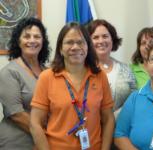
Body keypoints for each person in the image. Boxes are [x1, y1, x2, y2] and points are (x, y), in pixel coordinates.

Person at [30, 22, 115, 150]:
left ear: (88, 46)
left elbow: (108, 119)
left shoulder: (100, 76)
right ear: (60, 48)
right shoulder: (47, 77)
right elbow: (35, 123)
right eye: (69, 42)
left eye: (80, 42)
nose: (75, 47)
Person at [0, 17, 51, 149]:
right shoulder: (9, 72)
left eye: (37, 36)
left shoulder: (48, 71)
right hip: (18, 142)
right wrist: (47, 136)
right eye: (27, 36)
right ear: (19, 41)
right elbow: (16, 114)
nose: (32, 40)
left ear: (43, 41)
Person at [87, 19, 136, 117]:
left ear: (112, 40)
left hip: (122, 127)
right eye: (95, 37)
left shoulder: (126, 69)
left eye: (105, 36)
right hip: (92, 128)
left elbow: (134, 100)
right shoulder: (82, 69)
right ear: (88, 42)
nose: (101, 41)